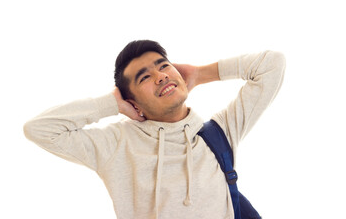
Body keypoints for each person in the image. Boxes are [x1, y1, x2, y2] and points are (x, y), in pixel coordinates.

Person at [23, 40, 286, 219]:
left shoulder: (221, 132)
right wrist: (111, 104)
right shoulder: (116, 144)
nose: (161, 76)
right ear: (131, 100)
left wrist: (201, 73)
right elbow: (40, 129)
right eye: (145, 77)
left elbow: (272, 65)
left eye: (163, 66)